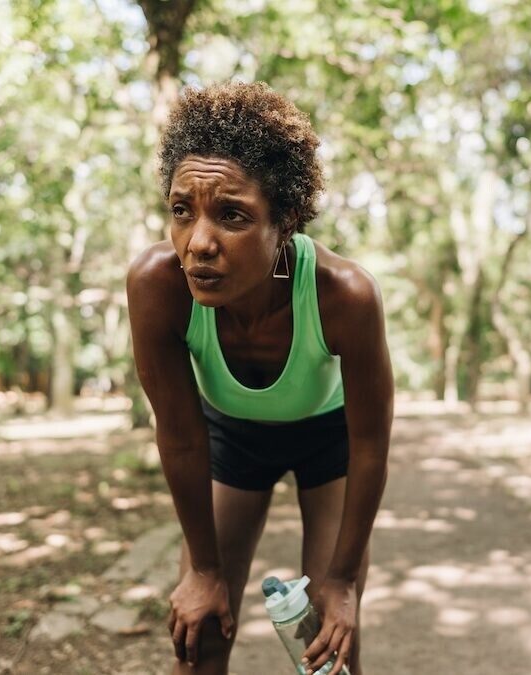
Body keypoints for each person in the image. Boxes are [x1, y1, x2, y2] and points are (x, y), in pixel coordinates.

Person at [126, 81, 393, 675]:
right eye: (181, 211)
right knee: (199, 637)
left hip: (329, 442)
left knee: (327, 647)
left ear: (286, 221)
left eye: (232, 215)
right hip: (232, 439)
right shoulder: (157, 285)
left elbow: (371, 445)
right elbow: (180, 436)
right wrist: (203, 570)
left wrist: (343, 581)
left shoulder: (345, 295)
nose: (198, 243)